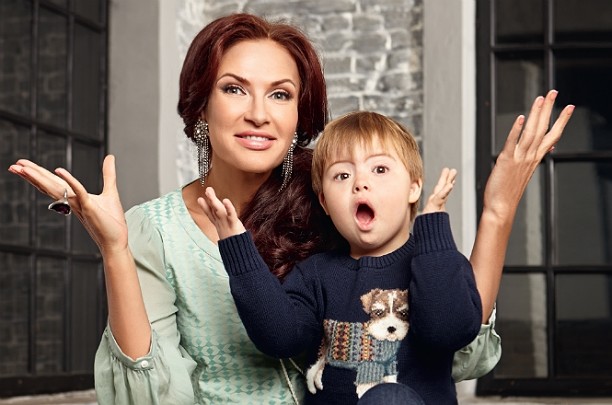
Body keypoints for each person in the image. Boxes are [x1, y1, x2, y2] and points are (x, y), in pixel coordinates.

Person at [7, 12, 574, 405]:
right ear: (200, 106)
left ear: (300, 115)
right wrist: (115, 249)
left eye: (280, 94)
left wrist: (497, 212)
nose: (259, 113)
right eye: (234, 88)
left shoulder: (337, 205)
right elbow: (155, 397)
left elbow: (455, 351)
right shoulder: (155, 230)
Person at [198, 111, 482, 404]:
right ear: (324, 202)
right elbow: (280, 338)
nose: (360, 183)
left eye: (380, 169)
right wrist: (238, 248)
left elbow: (447, 331)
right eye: (342, 175)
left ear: (413, 188)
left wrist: (432, 228)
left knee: (389, 398)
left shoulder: (438, 261)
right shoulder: (314, 275)